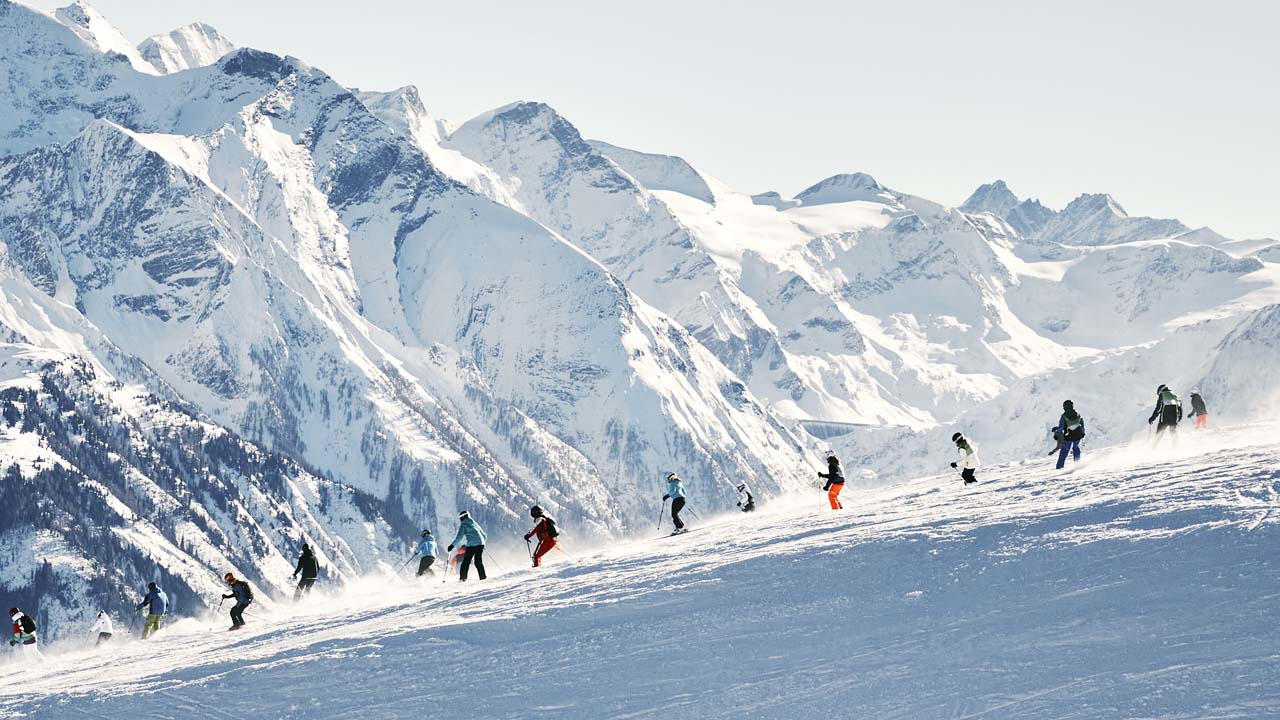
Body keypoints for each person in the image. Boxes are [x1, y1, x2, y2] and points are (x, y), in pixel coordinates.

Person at [447, 511, 487, 581]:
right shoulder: (474, 523)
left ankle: (463, 578)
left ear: (462, 517)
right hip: (481, 543)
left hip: (472, 545)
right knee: (478, 561)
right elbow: (484, 535)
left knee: (466, 561)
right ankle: (483, 577)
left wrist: (451, 546)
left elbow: (459, 537)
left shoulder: (464, 525)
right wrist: (482, 543)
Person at [1056, 400, 1086, 469]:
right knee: (1076, 448)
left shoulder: (1064, 416)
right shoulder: (1077, 414)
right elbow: (1082, 425)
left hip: (1068, 436)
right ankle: (1077, 465)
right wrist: (1083, 433)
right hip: (1078, 435)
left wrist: (1057, 433)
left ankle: (1059, 467)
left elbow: (1061, 427)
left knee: (1064, 450)